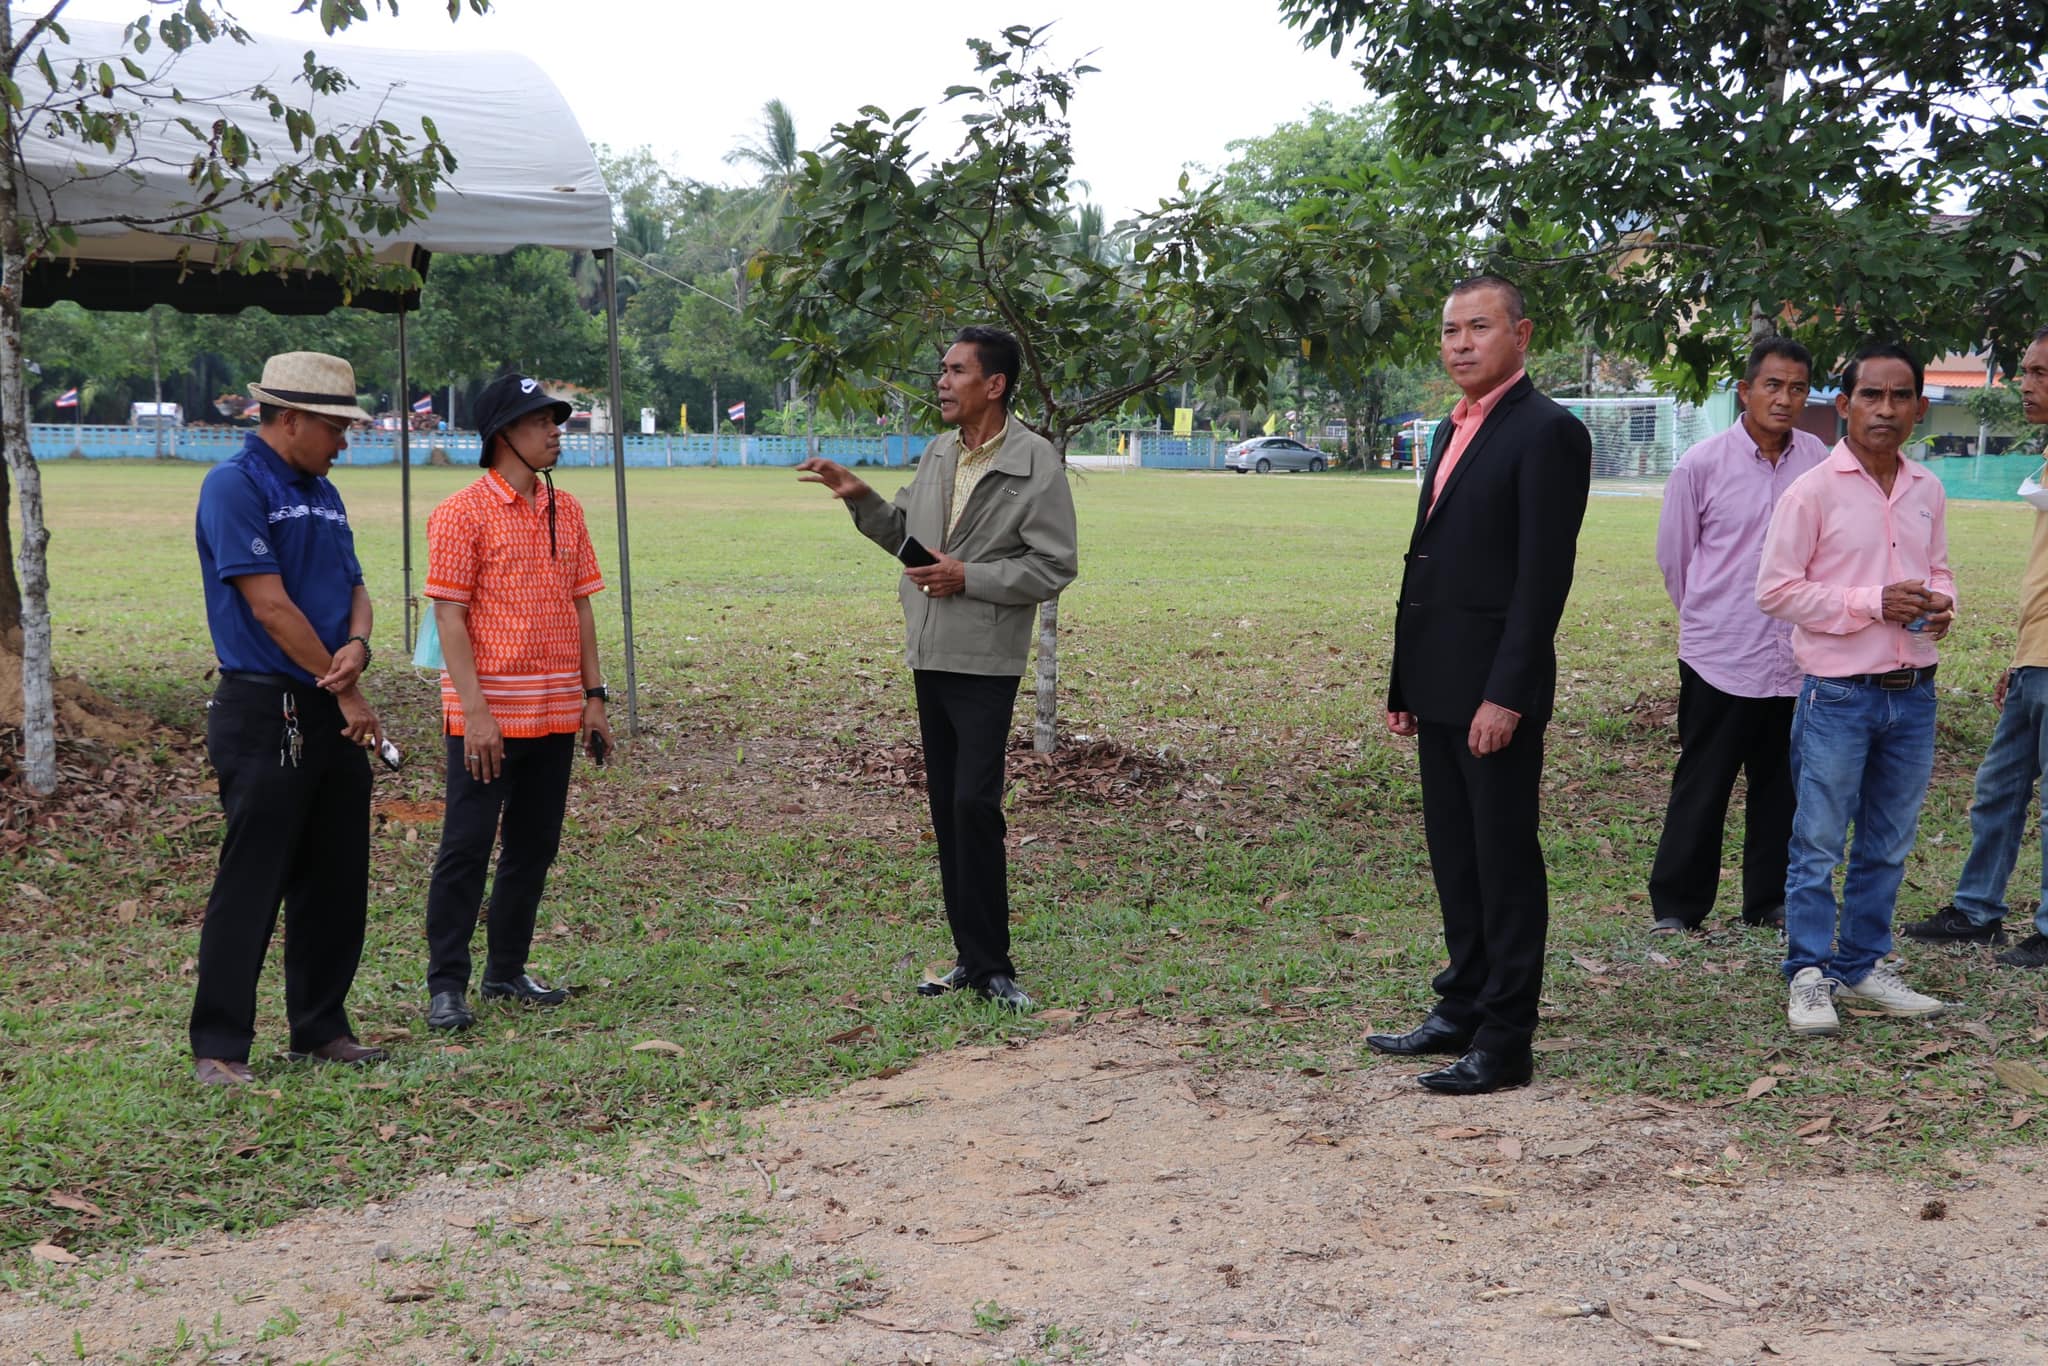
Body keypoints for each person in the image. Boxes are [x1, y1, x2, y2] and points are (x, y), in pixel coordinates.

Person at [794, 326, 1078, 1010]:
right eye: (941, 370)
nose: (942, 382)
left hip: (984, 658)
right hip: (930, 649)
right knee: (949, 810)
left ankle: (995, 965)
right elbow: (910, 544)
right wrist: (862, 499)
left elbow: (1053, 565)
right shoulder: (939, 453)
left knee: (975, 805)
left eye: (955, 371)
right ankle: (969, 960)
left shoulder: (1034, 462)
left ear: (995, 383)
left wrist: (968, 576)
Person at [1368, 276, 1591, 1095]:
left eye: (1480, 328)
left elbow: (1542, 581)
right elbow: (1427, 560)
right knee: (1455, 858)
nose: (1461, 343)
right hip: (1438, 680)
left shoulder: (1548, 433)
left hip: (1497, 688)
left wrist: (1508, 694)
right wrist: (1405, 678)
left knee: (1502, 863)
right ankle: (1459, 1004)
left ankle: (1506, 1037)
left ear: (1522, 334)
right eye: (1451, 330)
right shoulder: (1448, 430)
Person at [189, 352, 387, 1086]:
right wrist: (343, 689)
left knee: (336, 876)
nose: (343, 443)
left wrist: (359, 644)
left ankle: (321, 1027)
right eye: (335, 428)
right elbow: (268, 605)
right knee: (253, 878)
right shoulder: (234, 486)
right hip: (266, 705)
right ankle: (219, 1046)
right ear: (289, 419)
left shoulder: (324, 493)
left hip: (329, 697)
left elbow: (357, 585)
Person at [1756, 341, 1954, 1037]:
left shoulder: (1927, 489)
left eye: (1901, 397)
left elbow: (1940, 571)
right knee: (1817, 840)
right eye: (1871, 395)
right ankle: (1809, 973)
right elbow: (1776, 591)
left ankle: (1862, 964)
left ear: (1920, 409)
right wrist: (1873, 602)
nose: (1886, 409)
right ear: (1843, 406)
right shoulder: (1811, 491)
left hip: (1914, 692)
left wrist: (1940, 602)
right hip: (1838, 694)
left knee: (1888, 841)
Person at [421, 374, 612, 1032]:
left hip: (557, 712)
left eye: (556, 420)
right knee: (467, 847)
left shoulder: (569, 511)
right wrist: (474, 712)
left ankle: (506, 971)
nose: (556, 431)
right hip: (488, 716)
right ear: (504, 435)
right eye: (540, 422)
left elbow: (581, 605)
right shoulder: (459, 514)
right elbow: (449, 618)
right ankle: (446, 985)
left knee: (533, 846)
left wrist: (594, 696)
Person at [1649, 338, 1830, 934]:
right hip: (1719, 654)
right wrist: (1712, 619)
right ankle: (1678, 906)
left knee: (1782, 786)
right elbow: (1677, 561)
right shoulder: (1701, 464)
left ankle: (1769, 902)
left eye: (1798, 387)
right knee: (1704, 782)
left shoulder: (1820, 461)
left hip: (1798, 656)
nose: (1785, 398)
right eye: (1772, 385)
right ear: (1745, 391)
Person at [1902, 327, 2048, 968]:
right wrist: (2019, 659)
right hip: (2034, 660)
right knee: (1998, 789)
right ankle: (1978, 910)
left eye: (2042, 373)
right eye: (2027, 370)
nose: (2027, 383)